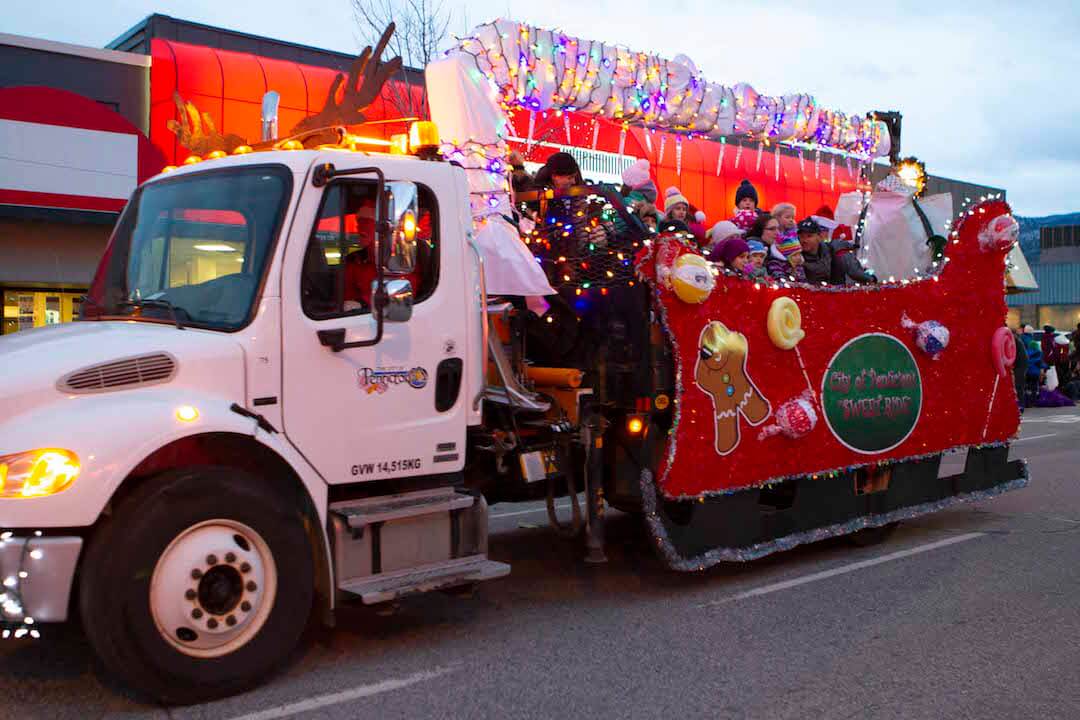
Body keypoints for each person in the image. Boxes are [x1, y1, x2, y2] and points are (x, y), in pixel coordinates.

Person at [798, 217, 877, 285]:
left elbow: (854, 271)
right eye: (801, 236)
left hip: (836, 293)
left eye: (809, 236)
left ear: (819, 237)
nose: (804, 240)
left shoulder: (833, 250)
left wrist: (870, 279)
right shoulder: (796, 256)